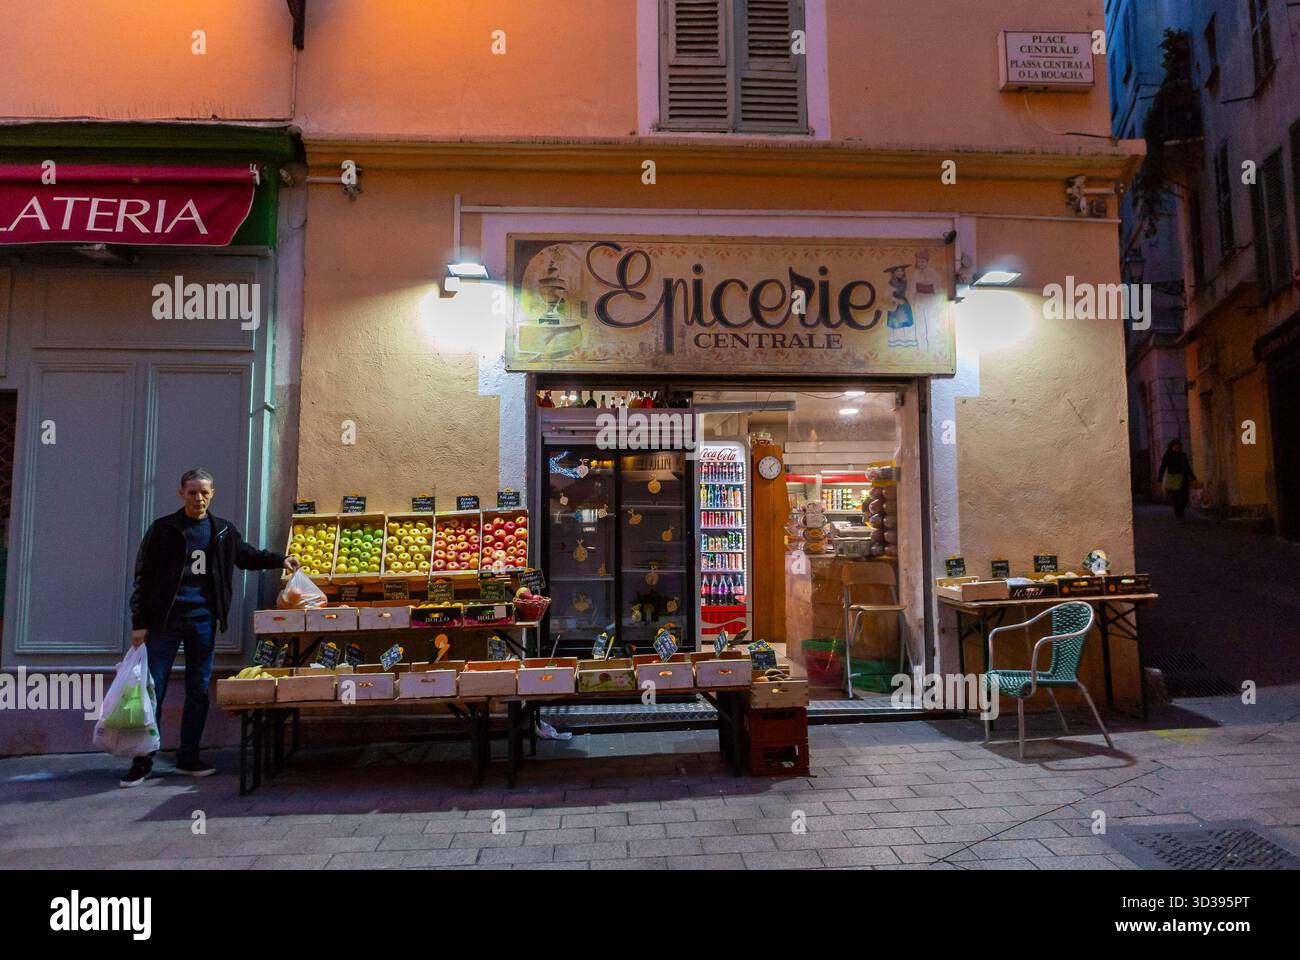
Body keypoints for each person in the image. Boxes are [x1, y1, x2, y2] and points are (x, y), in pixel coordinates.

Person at [121, 468, 298, 786]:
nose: (198, 498)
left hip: (203, 621)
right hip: (165, 622)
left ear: (212, 494)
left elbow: (245, 557)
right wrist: (139, 623)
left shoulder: (222, 531)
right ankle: (142, 760)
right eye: (192, 492)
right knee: (154, 689)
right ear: (181, 493)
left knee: (198, 690)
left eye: (204, 492)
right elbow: (143, 577)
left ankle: (188, 756)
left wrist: (279, 559)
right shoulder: (164, 529)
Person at [1157, 439, 1196, 523]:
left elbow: (1187, 467)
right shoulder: (1167, 456)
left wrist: (1193, 477)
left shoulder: (1183, 455)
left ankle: (1181, 511)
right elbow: (1163, 467)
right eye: (1175, 446)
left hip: (1183, 478)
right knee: (1176, 497)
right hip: (1173, 478)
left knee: (1185, 497)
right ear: (1172, 447)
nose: (1177, 448)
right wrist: (1159, 478)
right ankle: (1178, 515)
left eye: (1178, 446)